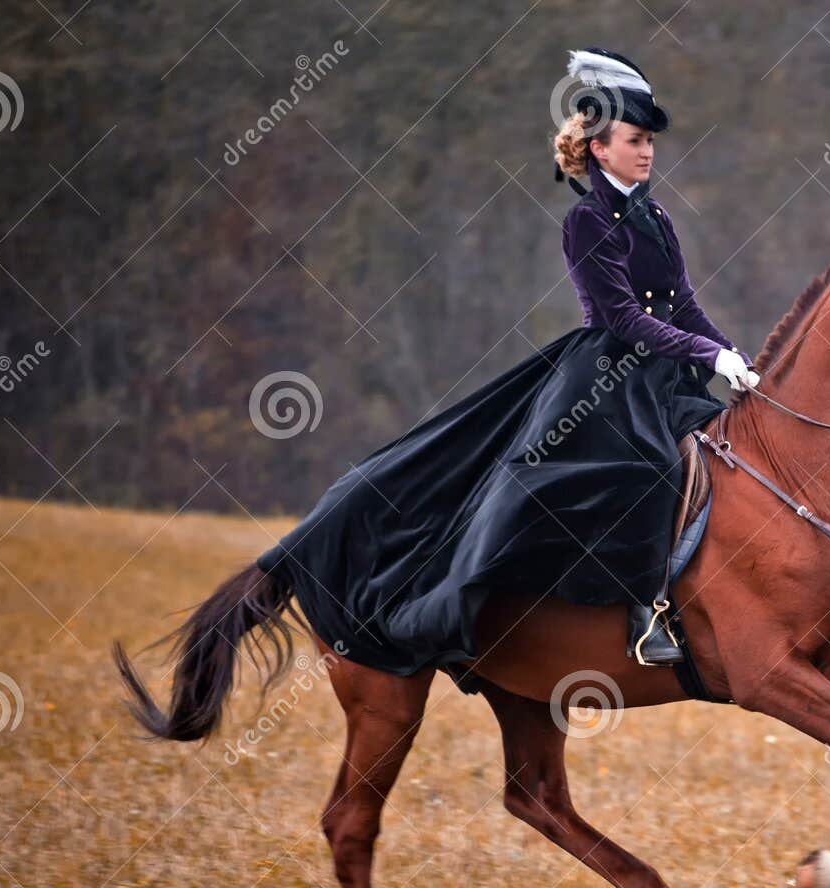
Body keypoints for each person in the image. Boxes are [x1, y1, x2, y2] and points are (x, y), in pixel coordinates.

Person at [255, 47, 757, 686]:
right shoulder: (586, 221)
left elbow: (682, 302)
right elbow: (623, 319)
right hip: (604, 382)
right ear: (600, 149)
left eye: (650, 140)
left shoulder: (654, 215)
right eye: (635, 140)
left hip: (665, 379)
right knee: (650, 469)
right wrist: (705, 353)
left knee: (721, 459)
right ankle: (646, 614)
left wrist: (733, 355)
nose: (648, 151)